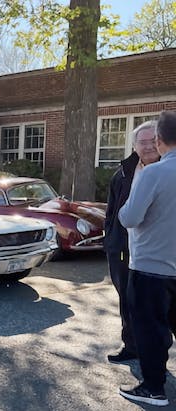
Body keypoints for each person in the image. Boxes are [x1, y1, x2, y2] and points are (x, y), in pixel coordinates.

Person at [118, 111, 176, 407]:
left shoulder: (154, 173)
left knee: (151, 330)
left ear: (159, 139)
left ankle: (153, 389)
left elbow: (130, 217)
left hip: (151, 268)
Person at [104, 120, 161, 364]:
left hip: (160, 250)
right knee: (127, 299)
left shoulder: (169, 170)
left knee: (160, 304)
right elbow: (111, 212)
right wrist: (111, 241)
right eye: (142, 142)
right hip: (125, 249)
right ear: (134, 145)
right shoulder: (124, 173)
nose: (148, 146)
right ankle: (132, 345)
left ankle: (156, 354)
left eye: (153, 141)